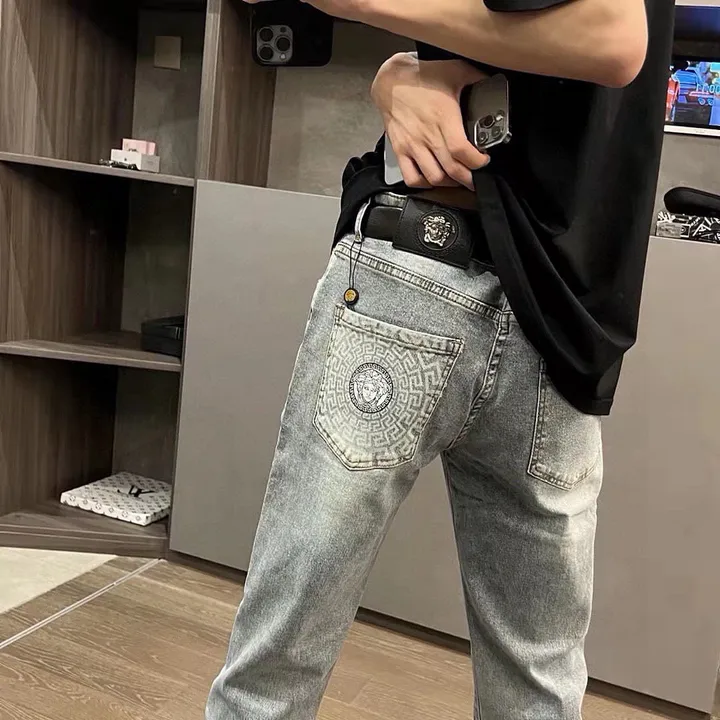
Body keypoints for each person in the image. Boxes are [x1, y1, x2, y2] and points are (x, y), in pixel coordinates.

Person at [207, 1, 674, 718]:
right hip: (565, 311)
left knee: (275, 662)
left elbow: (611, 36)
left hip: (423, 270)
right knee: (537, 678)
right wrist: (404, 71)